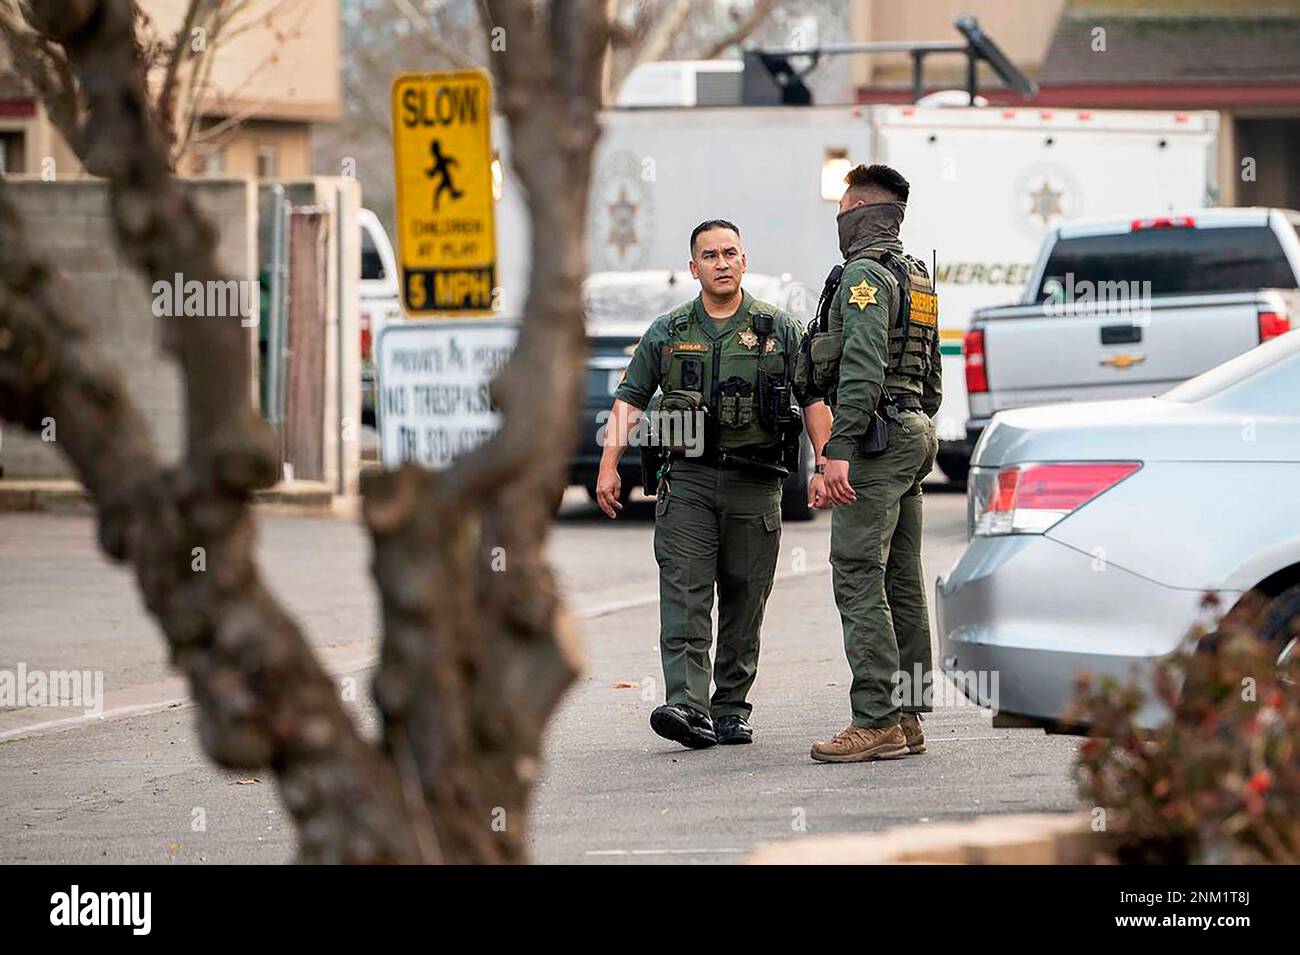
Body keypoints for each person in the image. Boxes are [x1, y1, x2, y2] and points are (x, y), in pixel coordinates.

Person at [595, 219, 824, 749]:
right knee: (684, 591)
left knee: (745, 599)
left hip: (756, 481)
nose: (721, 263)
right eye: (710, 255)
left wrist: (828, 461)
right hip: (689, 481)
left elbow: (814, 398)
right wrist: (610, 464)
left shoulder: (779, 330)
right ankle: (686, 704)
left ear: (744, 261)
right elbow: (630, 398)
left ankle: (730, 708)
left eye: (730, 253)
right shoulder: (670, 332)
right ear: (692, 267)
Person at [801, 164, 942, 763]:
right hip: (913, 430)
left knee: (859, 575)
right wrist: (918, 423)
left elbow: (859, 369)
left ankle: (876, 719)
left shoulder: (863, 275)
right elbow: (930, 371)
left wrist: (838, 449)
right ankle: (907, 714)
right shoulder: (916, 276)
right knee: (901, 580)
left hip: (876, 441)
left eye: (842, 207)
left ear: (856, 209)